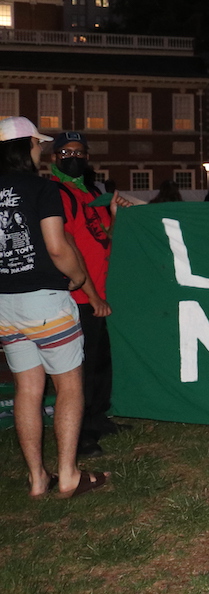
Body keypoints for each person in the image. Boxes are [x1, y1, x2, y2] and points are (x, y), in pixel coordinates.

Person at [0, 117, 108, 499]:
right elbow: (58, 246)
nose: (40, 151)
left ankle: (36, 479)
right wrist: (78, 277)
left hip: (5, 304)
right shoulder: (42, 189)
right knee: (69, 386)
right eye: (37, 145)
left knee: (27, 389)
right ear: (27, 146)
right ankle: (68, 475)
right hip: (45, 300)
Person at [48, 132, 128, 459]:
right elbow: (66, 247)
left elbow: (104, 238)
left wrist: (115, 213)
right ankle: (80, 435)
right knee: (81, 370)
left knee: (101, 364)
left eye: (80, 152)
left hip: (100, 292)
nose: (74, 157)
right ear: (54, 157)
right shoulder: (58, 194)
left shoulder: (91, 193)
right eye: (66, 151)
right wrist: (92, 295)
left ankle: (97, 419)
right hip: (80, 297)